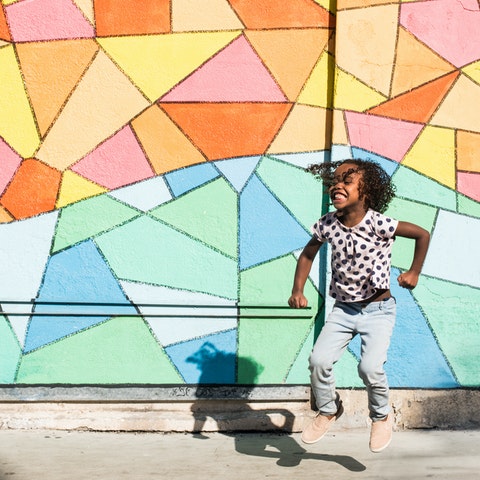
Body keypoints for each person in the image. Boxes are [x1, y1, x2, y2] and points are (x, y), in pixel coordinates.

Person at [288, 159, 430, 453]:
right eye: (334, 181)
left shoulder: (379, 223)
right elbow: (306, 255)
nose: (337, 185)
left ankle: (380, 417)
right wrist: (297, 290)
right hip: (342, 311)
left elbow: (422, 235)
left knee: (369, 367)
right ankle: (328, 409)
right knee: (319, 361)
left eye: (347, 180)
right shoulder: (327, 224)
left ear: (366, 192)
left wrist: (414, 272)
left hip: (378, 311)